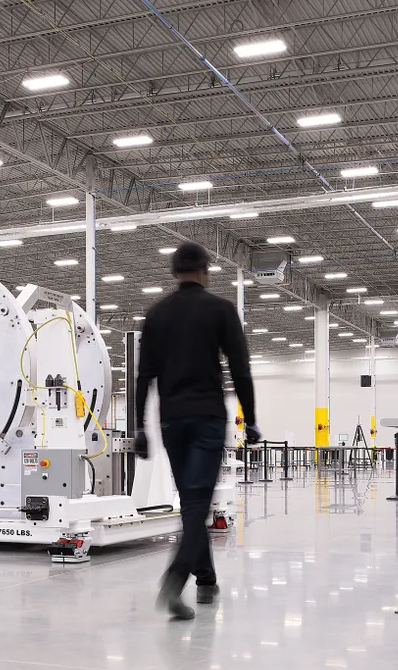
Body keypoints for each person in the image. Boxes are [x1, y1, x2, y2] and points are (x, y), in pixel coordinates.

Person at [133, 242, 262, 620]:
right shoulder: (220, 310)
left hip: (171, 421)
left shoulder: (156, 314)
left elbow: (145, 377)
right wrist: (250, 419)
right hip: (207, 417)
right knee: (196, 504)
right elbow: (241, 370)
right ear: (206, 271)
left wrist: (141, 425)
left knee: (191, 502)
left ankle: (206, 578)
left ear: (174, 272)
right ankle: (174, 580)